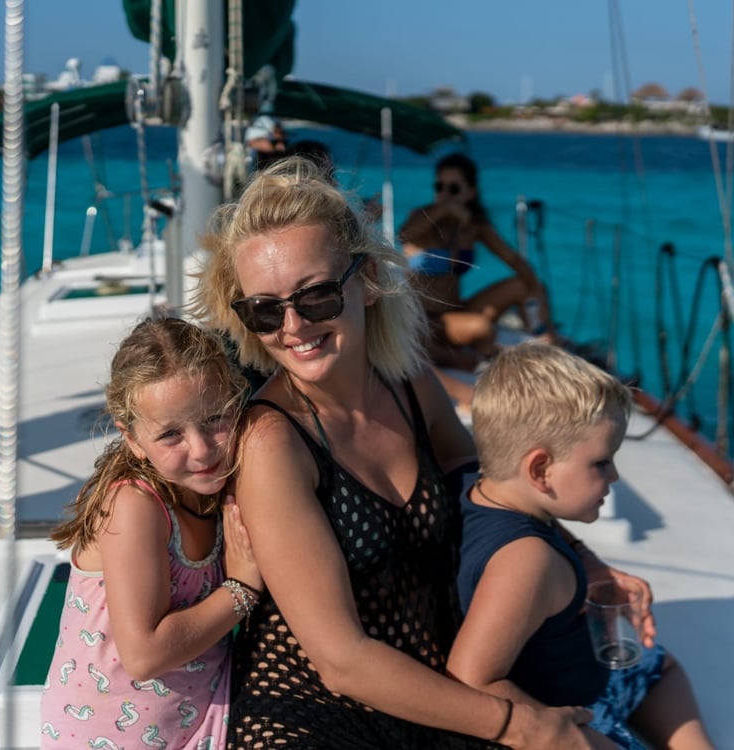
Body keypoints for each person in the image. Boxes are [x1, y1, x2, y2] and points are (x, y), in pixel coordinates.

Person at [190, 154, 657, 749]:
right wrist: (524, 726)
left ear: (364, 283)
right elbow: (341, 659)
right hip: (314, 713)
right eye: (263, 309)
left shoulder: (407, 382)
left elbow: (490, 494)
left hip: (433, 689)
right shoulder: (274, 442)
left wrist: (584, 561)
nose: (292, 326)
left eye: (315, 297)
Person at [448, 342, 714, 750]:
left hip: (581, 672)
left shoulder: (473, 484)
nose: (614, 477)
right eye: (601, 462)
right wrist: (558, 732)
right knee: (658, 670)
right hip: (573, 714)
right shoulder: (527, 560)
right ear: (540, 469)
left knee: (659, 664)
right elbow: (470, 677)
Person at [40, 316, 263, 750]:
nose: (201, 450)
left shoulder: (218, 487)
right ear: (133, 439)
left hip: (198, 719)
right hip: (106, 738)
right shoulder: (134, 505)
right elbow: (143, 655)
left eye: (216, 417)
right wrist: (241, 590)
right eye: (170, 434)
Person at [398, 152, 555, 410]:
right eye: (440, 187)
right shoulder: (424, 216)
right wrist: (445, 210)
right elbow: (404, 235)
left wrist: (541, 308)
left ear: (470, 192)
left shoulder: (474, 227)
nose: (445, 193)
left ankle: (542, 340)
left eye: (454, 188)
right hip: (424, 318)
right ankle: (466, 361)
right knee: (480, 327)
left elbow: (514, 261)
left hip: (454, 311)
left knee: (522, 284)